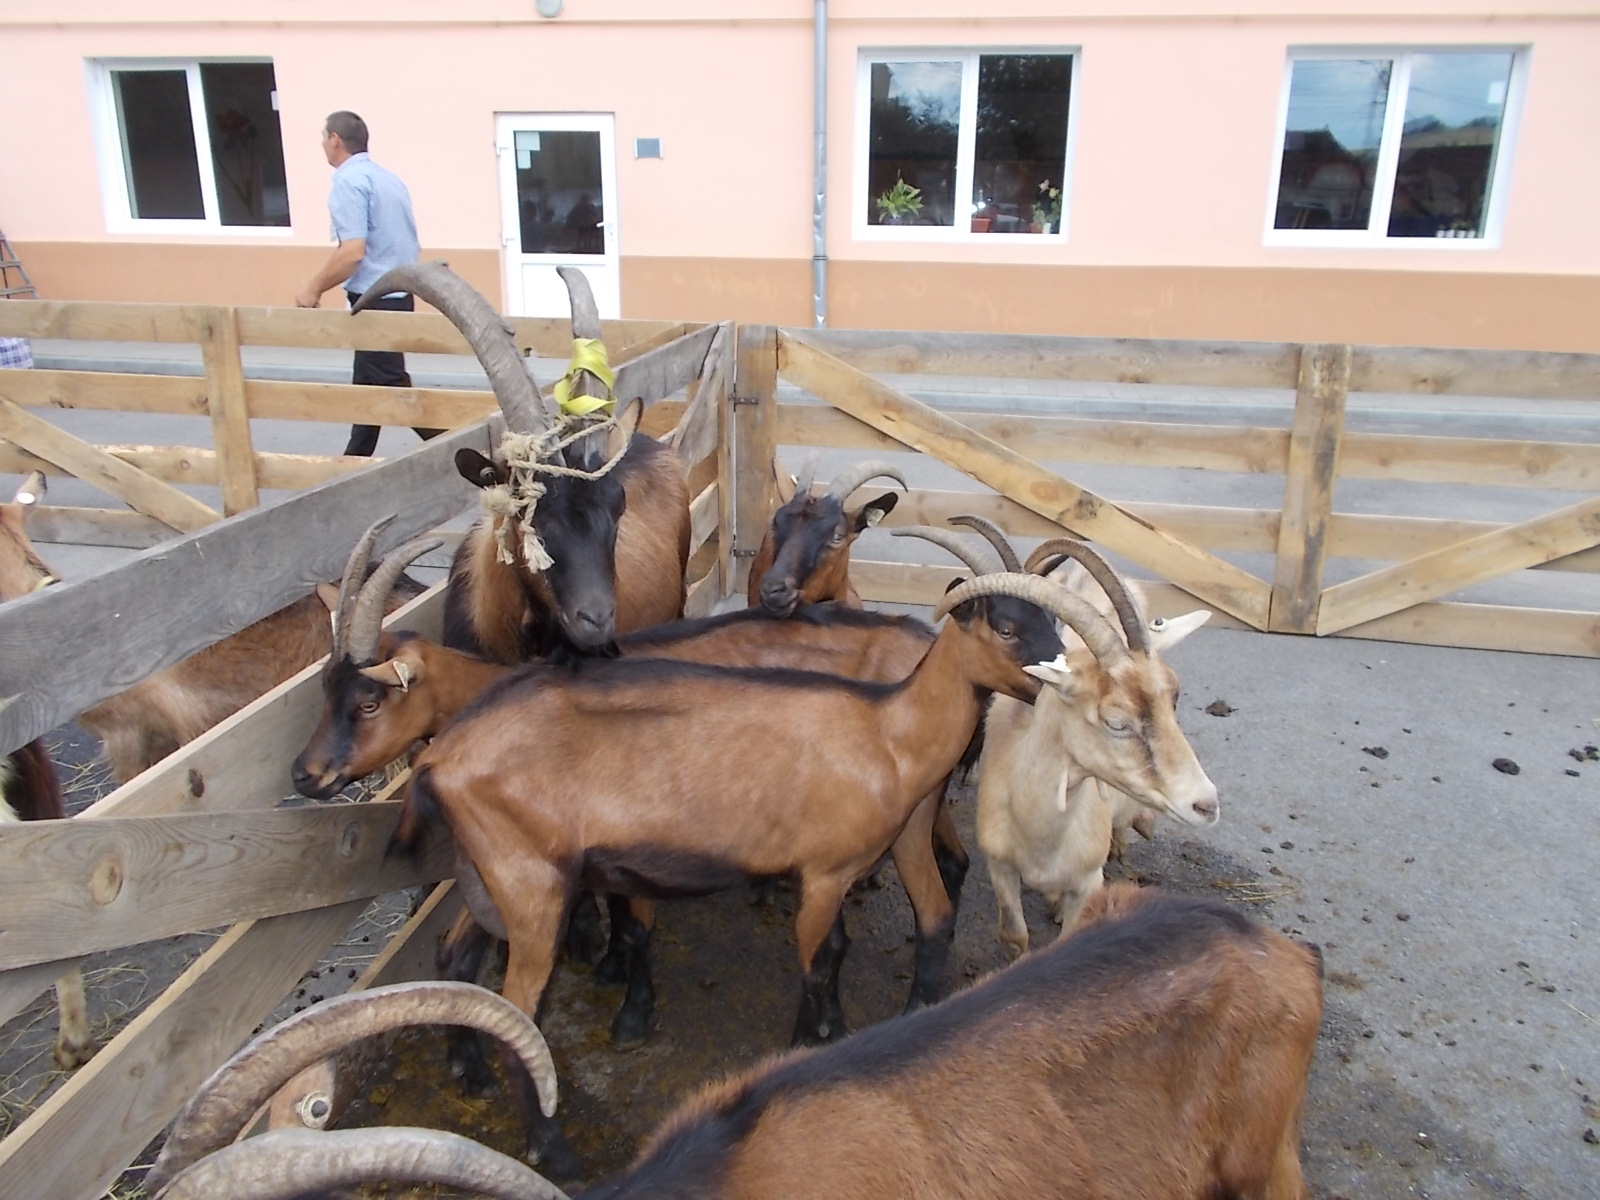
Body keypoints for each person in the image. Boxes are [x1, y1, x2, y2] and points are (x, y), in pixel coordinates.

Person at [295, 111, 441, 457]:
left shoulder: (349, 182)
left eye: (323, 138)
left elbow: (352, 253)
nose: (323, 145)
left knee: (393, 388)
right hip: (399, 293)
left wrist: (313, 288)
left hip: (373, 300)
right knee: (367, 389)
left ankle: (469, 455)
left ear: (335, 139)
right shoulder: (389, 179)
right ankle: (353, 462)